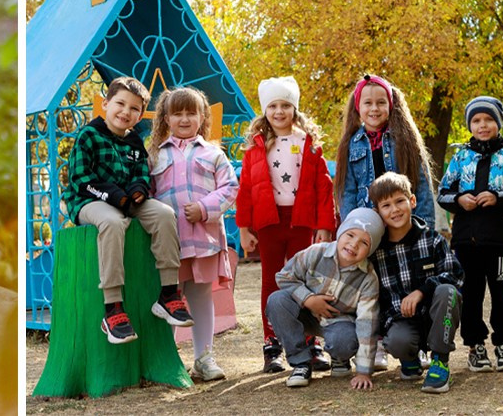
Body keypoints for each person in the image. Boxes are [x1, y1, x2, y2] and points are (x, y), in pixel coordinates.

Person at [63, 75, 190, 345]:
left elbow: (141, 174)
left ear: (140, 114)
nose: (125, 112)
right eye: (120, 104)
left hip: (126, 202)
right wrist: (115, 196)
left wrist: (138, 191)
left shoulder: (135, 143)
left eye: (134, 108)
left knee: (165, 214)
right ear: (106, 104)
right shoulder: (89, 135)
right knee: (111, 222)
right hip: (89, 201)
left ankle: (168, 294)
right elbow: (81, 180)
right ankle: (112, 309)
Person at [234, 75, 336, 374]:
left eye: (286, 105)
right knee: (271, 281)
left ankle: (310, 341)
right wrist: (244, 228)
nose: (279, 111)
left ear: (295, 109)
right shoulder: (255, 147)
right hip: (269, 223)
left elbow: (323, 187)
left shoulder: (309, 145)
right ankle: (272, 343)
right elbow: (245, 191)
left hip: (301, 222)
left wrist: (324, 227)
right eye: (273, 106)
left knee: (305, 280)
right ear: (265, 110)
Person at [436, 94, 503, 372]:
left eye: (489, 119)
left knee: (501, 295)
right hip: (466, 242)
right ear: (470, 124)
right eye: (477, 120)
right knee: (471, 294)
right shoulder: (460, 157)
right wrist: (459, 200)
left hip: (500, 241)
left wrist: (498, 197)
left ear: (498, 122)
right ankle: (475, 346)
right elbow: (443, 192)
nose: (483, 125)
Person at [146, 85, 238, 382]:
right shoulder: (154, 156)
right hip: (168, 244)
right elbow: (146, 193)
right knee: (169, 298)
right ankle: (168, 360)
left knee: (199, 296)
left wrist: (204, 207)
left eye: (191, 113)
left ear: (202, 117)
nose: (184, 119)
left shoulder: (213, 154)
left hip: (203, 241)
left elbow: (230, 188)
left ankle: (204, 358)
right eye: (177, 113)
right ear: (166, 118)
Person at [267, 208, 384, 389]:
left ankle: (340, 357)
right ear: (341, 232)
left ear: (371, 250)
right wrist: (308, 299)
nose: (353, 244)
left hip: (339, 322)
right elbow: (284, 277)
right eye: (350, 235)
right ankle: (301, 363)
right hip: (304, 313)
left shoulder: (368, 279)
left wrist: (363, 371)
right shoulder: (315, 253)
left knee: (344, 341)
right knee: (277, 300)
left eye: (364, 243)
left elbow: (367, 323)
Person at [369, 171, 463, 393]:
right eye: (386, 205)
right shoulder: (376, 251)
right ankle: (409, 358)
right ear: (378, 213)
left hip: (435, 318)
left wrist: (421, 291)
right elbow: (377, 296)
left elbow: (455, 275)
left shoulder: (432, 239)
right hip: (402, 321)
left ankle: (440, 361)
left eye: (400, 201)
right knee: (397, 341)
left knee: (448, 291)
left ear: (412, 201)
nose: (395, 210)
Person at [332, 75, 437, 221]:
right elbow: (347, 192)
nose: (374, 108)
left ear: (390, 105)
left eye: (381, 102)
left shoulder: (406, 140)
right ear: (358, 107)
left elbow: (422, 186)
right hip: (367, 222)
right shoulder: (351, 144)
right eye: (368, 103)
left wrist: (426, 226)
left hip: (402, 221)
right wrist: (352, 225)